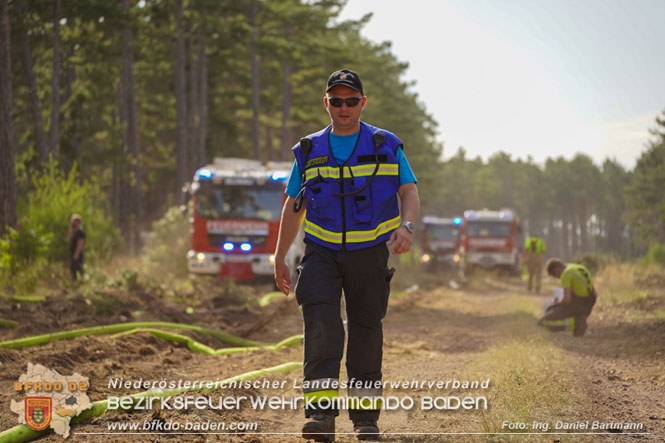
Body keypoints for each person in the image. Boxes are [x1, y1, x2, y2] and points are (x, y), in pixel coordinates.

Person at [273, 69, 420, 442]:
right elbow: (293, 203)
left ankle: (365, 420)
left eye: (350, 101)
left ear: (362, 104)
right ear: (326, 103)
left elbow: (409, 189)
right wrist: (280, 255)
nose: (343, 107)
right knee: (321, 329)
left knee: (365, 334)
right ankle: (321, 418)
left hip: (369, 253)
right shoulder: (308, 149)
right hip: (321, 252)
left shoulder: (385, 144)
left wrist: (406, 227)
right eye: (336, 100)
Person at [539, 258, 597, 337]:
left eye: (555, 275)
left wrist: (558, 303)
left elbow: (567, 300)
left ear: (556, 269)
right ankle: (580, 318)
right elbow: (595, 293)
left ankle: (577, 323)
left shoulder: (566, 274)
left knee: (544, 322)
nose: (558, 277)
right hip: (589, 304)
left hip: (579, 304)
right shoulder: (578, 267)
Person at [67, 214, 85, 281]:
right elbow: (69, 240)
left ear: (78, 222)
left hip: (77, 253)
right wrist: (71, 230)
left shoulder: (80, 231)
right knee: (73, 268)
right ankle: (75, 282)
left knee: (78, 267)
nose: (72, 223)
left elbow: (80, 243)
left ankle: (81, 281)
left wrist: (76, 254)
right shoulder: (74, 231)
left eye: (74, 221)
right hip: (72, 252)